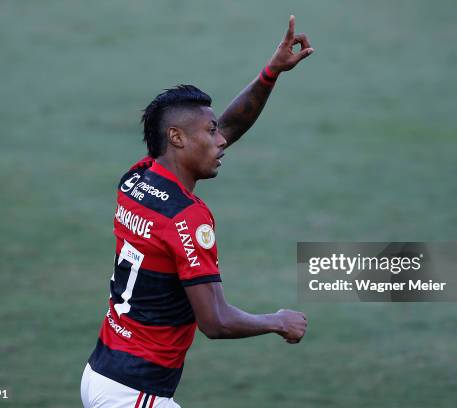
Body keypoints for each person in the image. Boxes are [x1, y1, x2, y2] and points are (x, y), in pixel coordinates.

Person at [81, 15, 314, 408]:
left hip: (101, 374)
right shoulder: (186, 217)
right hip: (134, 393)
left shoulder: (136, 180)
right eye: (210, 131)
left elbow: (227, 129)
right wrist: (277, 321)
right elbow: (216, 322)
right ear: (176, 137)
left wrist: (270, 73)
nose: (221, 139)